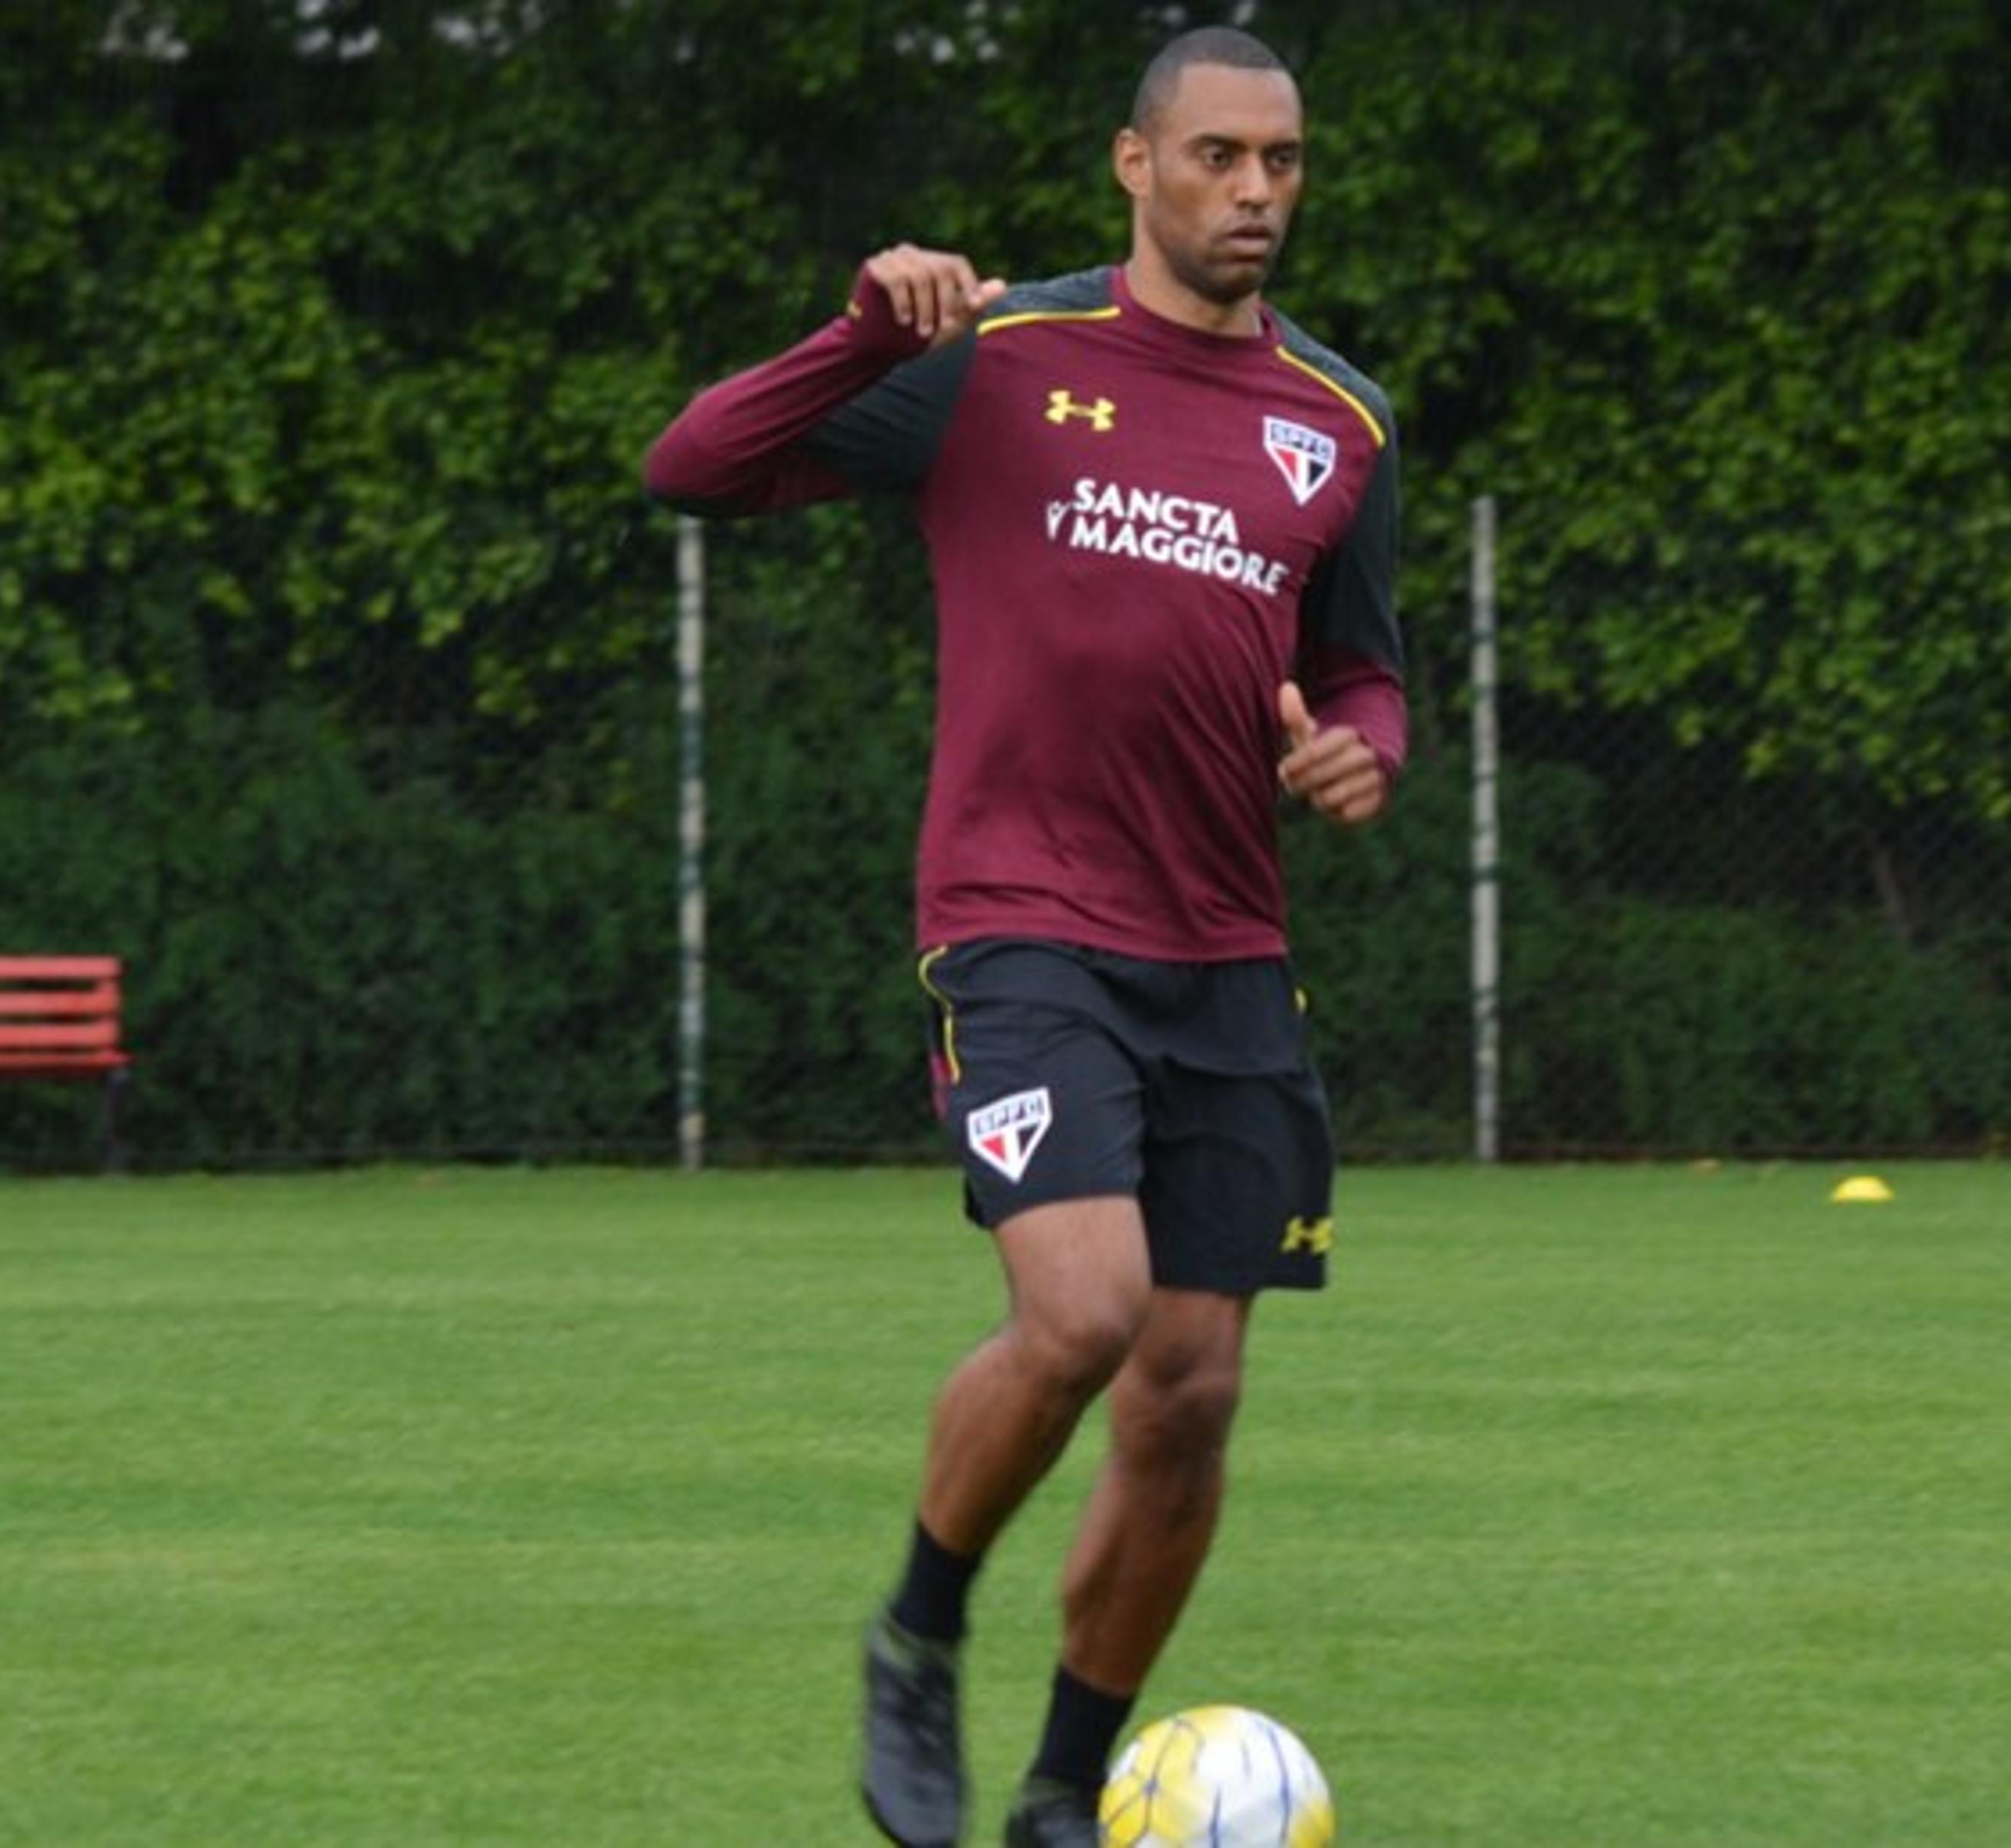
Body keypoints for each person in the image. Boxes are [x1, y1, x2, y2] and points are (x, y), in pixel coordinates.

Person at [642, 25, 1402, 1848]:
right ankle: (918, 1634)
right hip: (1023, 926)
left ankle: (1069, 1791)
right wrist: (859, 333)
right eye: (1217, 157)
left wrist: (1361, 751)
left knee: (1191, 1397)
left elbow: (1368, 666)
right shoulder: (995, 360)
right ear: (1134, 166)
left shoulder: (1340, 420)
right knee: (1084, 1312)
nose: (1254, 194)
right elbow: (690, 466)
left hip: (1227, 949)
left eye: (1281, 163)